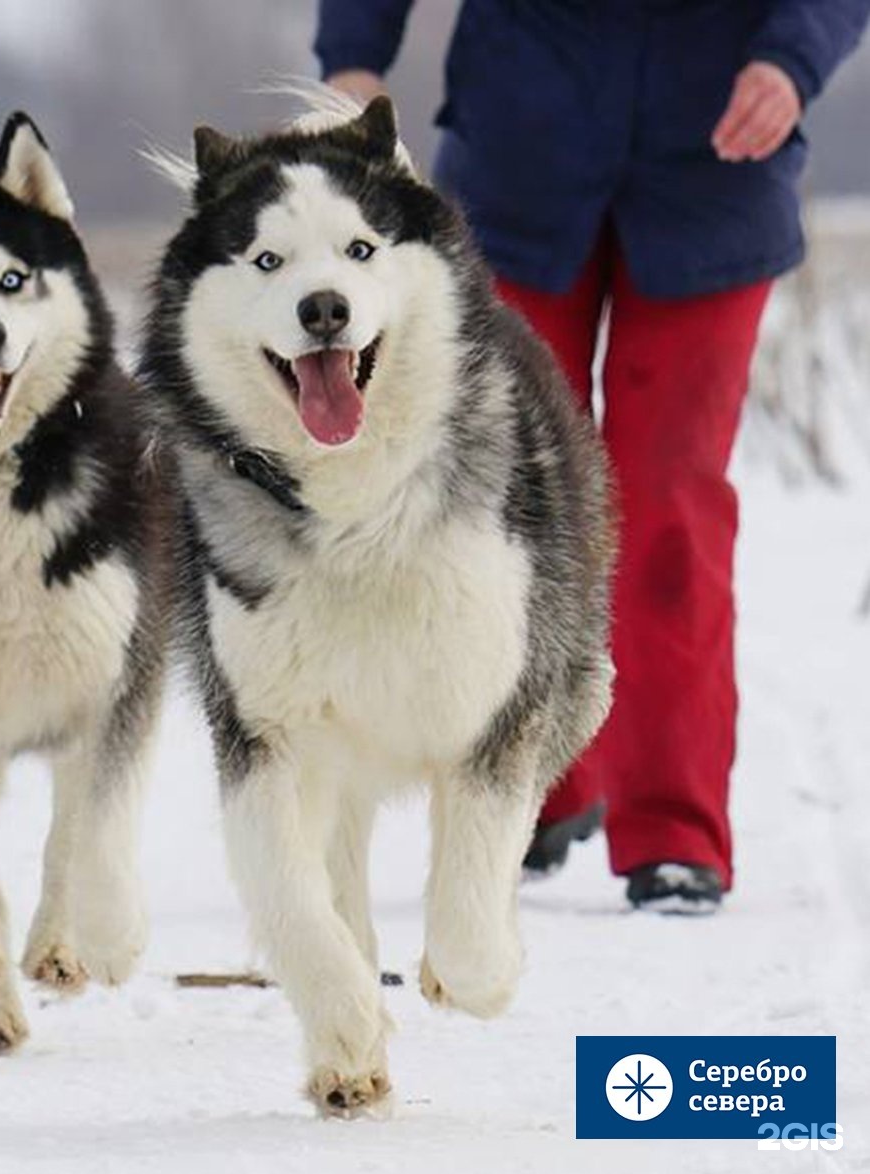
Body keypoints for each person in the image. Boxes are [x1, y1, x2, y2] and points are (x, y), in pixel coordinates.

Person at [316, 0, 870, 911]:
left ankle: (673, 830)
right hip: (519, 151)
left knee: (668, 509)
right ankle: (526, 790)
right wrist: (351, 59)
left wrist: (789, 61)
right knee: (508, 505)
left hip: (717, 168)